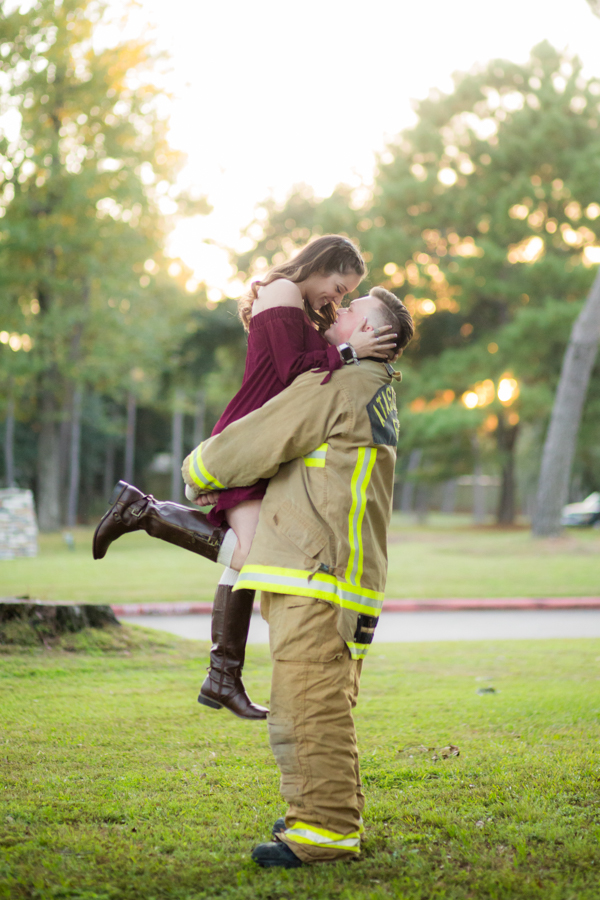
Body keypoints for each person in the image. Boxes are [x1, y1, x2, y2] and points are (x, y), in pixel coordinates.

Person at [93, 235, 397, 720]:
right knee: (253, 555)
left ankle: (222, 679)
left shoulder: (300, 305)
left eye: (344, 297)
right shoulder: (280, 292)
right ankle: (144, 512)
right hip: (251, 434)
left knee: (243, 563)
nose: (335, 300)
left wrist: (347, 349)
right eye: (338, 287)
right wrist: (350, 352)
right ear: (321, 266)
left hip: (272, 441)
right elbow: (290, 371)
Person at [180, 287, 414, 867]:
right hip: (342, 578)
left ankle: (324, 833)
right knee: (323, 704)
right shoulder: (373, 388)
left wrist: (199, 470)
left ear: (376, 335)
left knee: (306, 706)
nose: (341, 309)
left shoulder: (340, 385)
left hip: (319, 576)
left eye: (355, 308)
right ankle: (328, 810)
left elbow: (259, 438)